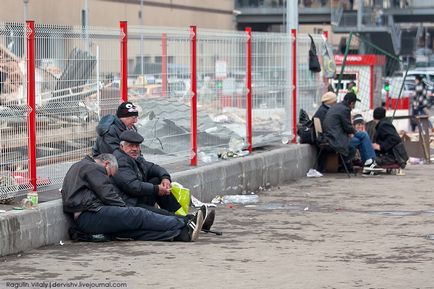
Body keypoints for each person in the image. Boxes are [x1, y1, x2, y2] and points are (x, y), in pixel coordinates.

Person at [61, 153, 205, 242]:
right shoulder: (92, 167)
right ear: (106, 164)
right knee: (137, 214)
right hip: (89, 215)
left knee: (132, 232)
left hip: (88, 215)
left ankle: (181, 234)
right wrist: (126, 210)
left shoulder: (81, 166)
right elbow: (107, 194)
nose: (108, 177)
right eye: (109, 174)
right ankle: (184, 224)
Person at [112, 130, 215, 230]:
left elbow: (153, 167)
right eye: (131, 146)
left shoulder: (135, 158)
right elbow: (133, 186)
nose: (135, 149)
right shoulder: (121, 161)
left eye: (137, 146)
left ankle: (185, 218)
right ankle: (192, 222)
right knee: (163, 214)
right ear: (122, 146)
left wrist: (165, 178)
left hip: (137, 198)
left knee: (158, 179)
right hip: (129, 204)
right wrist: (156, 189)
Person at [323, 92, 377, 172]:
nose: (354, 106)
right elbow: (348, 127)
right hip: (337, 141)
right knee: (363, 135)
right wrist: (355, 132)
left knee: (361, 138)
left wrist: (353, 133)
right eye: (354, 104)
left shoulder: (337, 106)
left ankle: (368, 164)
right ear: (351, 103)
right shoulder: (345, 109)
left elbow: (344, 127)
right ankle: (370, 163)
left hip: (332, 138)